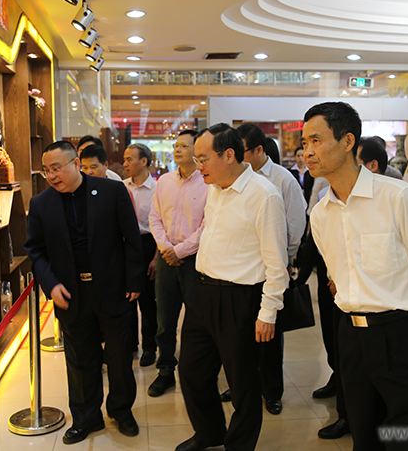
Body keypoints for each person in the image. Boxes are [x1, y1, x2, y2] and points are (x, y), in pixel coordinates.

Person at [302, 102, 408, 451]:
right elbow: (337, 275)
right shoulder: (321, 213)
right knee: (364, 434)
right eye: (305, 142)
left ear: (347, 141)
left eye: (316, 140)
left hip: (403, 332)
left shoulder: (400, 198)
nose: (307, 151)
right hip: (351, 334)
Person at [176, 124, 289, 451]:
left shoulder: (264, 195)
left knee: (243, 383)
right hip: (203, 292)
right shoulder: (215, 188)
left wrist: (268, 313)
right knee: (192, 371)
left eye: (203, 159)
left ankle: (239, 444)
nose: (198, 166)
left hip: (240, 298)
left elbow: (276, 262)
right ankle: (209, 432)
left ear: (228, 155)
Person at [24, 141, 143, 444]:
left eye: (57, 168)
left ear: (76, 164)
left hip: (113, 289)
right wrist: (51, 284)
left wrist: (134, 282)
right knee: (79, 360)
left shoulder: (111, 192)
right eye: (46, 170)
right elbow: (36, 251)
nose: (51, 175)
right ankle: (86, 417)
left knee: (118, 357)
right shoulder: (41, 204)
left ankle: (121, 410)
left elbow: (131, 239)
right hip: (71, 294)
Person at [216, 123, 305, 416]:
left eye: (241, 151)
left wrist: (283, 259)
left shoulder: (281, 180)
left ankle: (272, 391)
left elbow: (295, 225)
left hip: (271, 269)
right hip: (242, 274)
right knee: (241, 336)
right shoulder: (229, 180)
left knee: (270, 335)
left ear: (258, 150)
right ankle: (240, 385)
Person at [147, 129, 207, 397]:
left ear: (197, 150)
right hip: (166, 258)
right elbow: (154, 218)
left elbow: (207, 225)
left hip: (195, 260)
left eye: (184, 145)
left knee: (198, 319)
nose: (177, 150)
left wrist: (180, 251)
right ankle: (165, 370)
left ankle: (196, 371)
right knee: (165, 319)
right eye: (176, 145)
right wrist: (165, 248)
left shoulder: (208, 182)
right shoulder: (164, 182)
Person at [123, 143, 159, 366]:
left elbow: (161, 225)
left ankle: (149, 347)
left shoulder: (157, 189)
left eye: (129, 159)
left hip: (148, 243)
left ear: (143, 161)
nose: (125, 163)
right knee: (127, 298)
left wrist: (156, 257)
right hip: (127, 246)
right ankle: (130, 345)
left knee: (148, 302)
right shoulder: (121, 187)